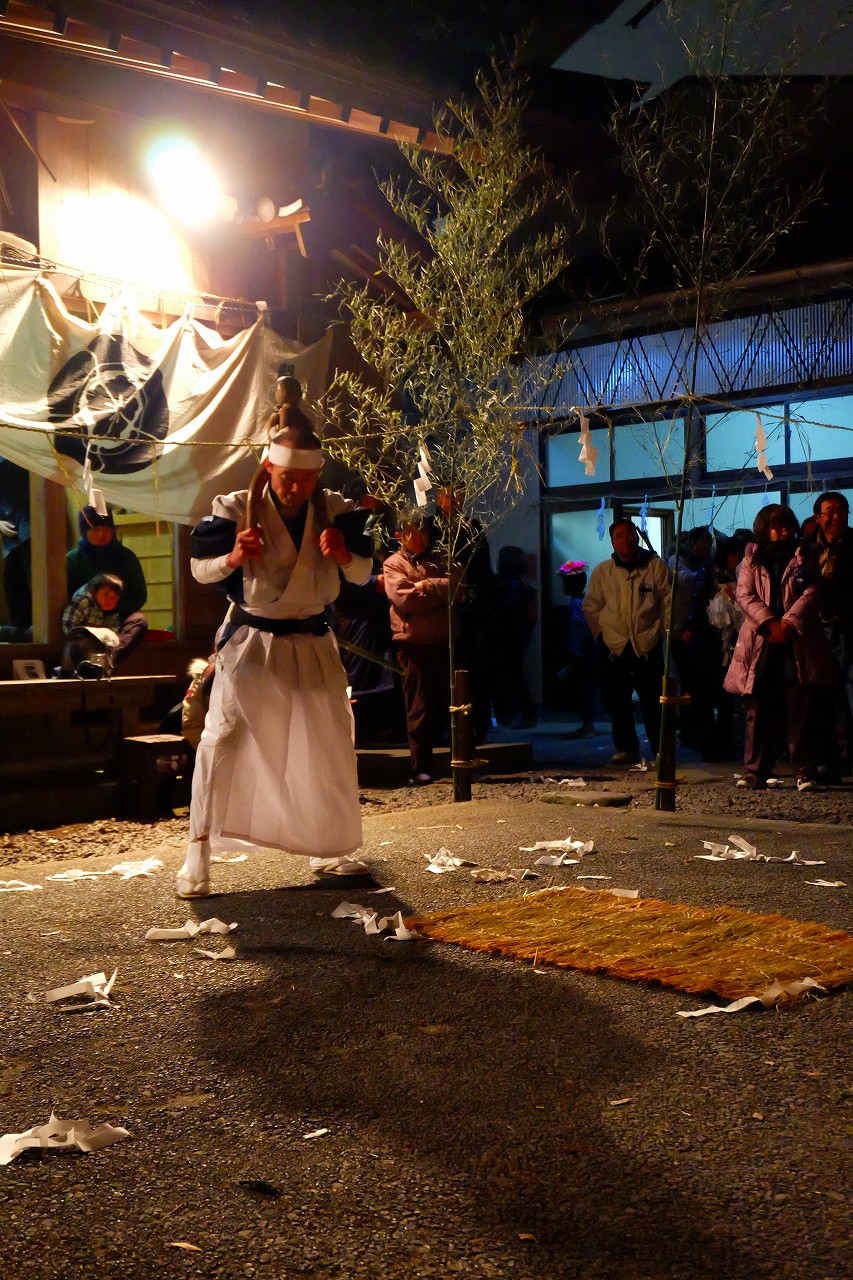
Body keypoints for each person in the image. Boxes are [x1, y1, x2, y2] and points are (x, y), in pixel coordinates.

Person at [176, 387, 373, 899]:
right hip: (253, 642)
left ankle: (327, 848)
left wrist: (344, 554)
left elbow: (362, 575)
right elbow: (200, 570)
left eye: (307, 478)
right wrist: (233, 559)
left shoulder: (336, 509)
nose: (296, 487)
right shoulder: (235, 506)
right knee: (225, 737)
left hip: (311, 638)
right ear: (268, 467)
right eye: (288, 477)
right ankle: (197, 851)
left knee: (326, 739)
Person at [723, 504, 835, 791]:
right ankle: (755, 770)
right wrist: (770, 623)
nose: (783, 530)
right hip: (761, 640)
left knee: (800, 707)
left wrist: (787, 624)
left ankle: (803, 771)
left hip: (796, 640)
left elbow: (813, 591)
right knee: (758, 708)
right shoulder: (752, 557)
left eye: (786, 523)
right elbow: (744, 594)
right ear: (763, 528)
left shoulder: (805, 554)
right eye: (776, 524)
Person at [582, 518, 670, 764]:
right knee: (618, 700)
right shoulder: (603, 571)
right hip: (614, 644)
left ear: (637, 536)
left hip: (647, 641)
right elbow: (591, 607)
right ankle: (626, 748)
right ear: (612, 541)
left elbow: (668, 603)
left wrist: (663, 632)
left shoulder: (656, 567)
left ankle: (660, 749)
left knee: (653, 700)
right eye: (619, 535)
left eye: (630, 534)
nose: (626, 539)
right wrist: (601, 634)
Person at [383, 508, 461, 785]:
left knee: (452, 703)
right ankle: (420, 767)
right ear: (399, 535)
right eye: (412, 533)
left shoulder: (441, 558)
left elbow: (457, 586)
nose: (419, 539)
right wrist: (437, 593)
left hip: (445, 641)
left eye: (424, 532)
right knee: (420, 707)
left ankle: (461, 762)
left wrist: (424, 585)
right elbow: (406, 601)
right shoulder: (393, 564)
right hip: (414, 644)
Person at [808, 490, 853, 778]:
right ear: (818, 517)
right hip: (814, 630)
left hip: (848, 626)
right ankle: (827, 760)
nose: (837, 516)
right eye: (830, 511)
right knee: (820, 697)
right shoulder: (807, 549)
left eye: (842, 510)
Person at [66, 506, 148, 659]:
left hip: (117, 619)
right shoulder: (72, 560)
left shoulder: (126, 557)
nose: (102, 534)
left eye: (106, 528)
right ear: (84, 531)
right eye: (95, 529)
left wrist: (113, 609)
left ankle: (111, 659)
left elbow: (139, 595)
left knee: (139, 621)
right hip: (84, 620)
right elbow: (67, 598)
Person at [492, 545, 537, 728]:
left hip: (506, 633)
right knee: (516, 673)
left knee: (509, 675)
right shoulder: (523, 582)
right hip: (519, 634)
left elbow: (505, 606)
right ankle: (524, 713)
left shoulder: (506, 583)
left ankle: (516, 714)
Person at [60, 572, 125, 677]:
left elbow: (114, 628)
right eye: (105, 594)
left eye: (114, 598)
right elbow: (69, 623)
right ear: (94, 591)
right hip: (79, 643)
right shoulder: (84, 601)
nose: (109, 600)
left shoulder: (112, 612)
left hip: (99, 644)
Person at [0, 457, 32, 639]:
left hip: (30, 527)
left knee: (29, 587)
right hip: (12, 534)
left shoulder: (15, 453)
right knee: (15, 587)